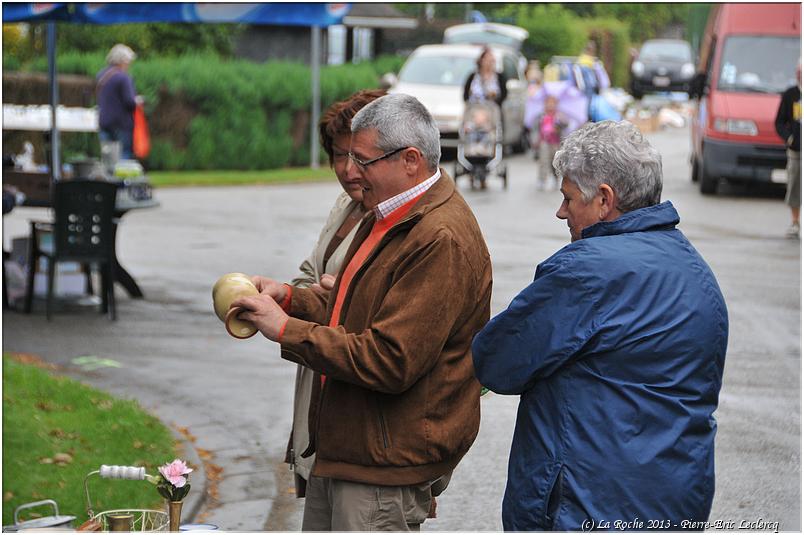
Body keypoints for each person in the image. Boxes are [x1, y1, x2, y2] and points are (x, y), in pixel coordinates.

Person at [232, 93, 493, 531]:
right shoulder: (388, 211)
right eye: (348, 157)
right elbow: (355, 308)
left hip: (382, 470)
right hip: (350, 453)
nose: (350, 173)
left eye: (363, 160)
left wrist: (288, 329)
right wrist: (290, 300)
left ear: (411, 160)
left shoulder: (440, 236)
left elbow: (391, 359)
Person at [472, 120, 728, 531]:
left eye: (569, 197)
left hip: (587, 505)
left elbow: (497, 361)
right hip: (677, 501)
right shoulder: (697, 271)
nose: (561, 211)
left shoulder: (585, 271)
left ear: (604, 200)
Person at [285, 88, 386, 499]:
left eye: (357, 157)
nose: (346, 170)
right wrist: (298, 293)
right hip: (321, 402)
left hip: (364, 429)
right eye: (338, 156)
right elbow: (309, 273)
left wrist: (340, 294)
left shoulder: (398, 222)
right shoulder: (345, 206)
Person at [96, 44, 139, 161]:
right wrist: (138, 102)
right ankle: (121, 179)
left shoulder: (101, 75)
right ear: (122, 61)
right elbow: (130, 102)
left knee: (107, 157)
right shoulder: (123, 77)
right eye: (128, 61)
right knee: (123, 155)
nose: (129, 64)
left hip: (104, 121)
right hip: (121, 123)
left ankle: (108, 179)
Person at [774, 59, 801, 239]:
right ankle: (795, 222)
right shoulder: (791, 94)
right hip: (796, 151)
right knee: (795, 186)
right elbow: (779, 122)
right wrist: (789, 138)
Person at [536, 95, 567, 190]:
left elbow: (565, 124)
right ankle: (542, 179)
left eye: (552, 103)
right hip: (544, 141)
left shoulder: (559, 115)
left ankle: (556, 178)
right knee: (543, 160)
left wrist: (558, 125)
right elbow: (537, 129)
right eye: (548, 103)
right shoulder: (542, 115)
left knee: (555, 162)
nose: (550, 105)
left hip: (555, 142)